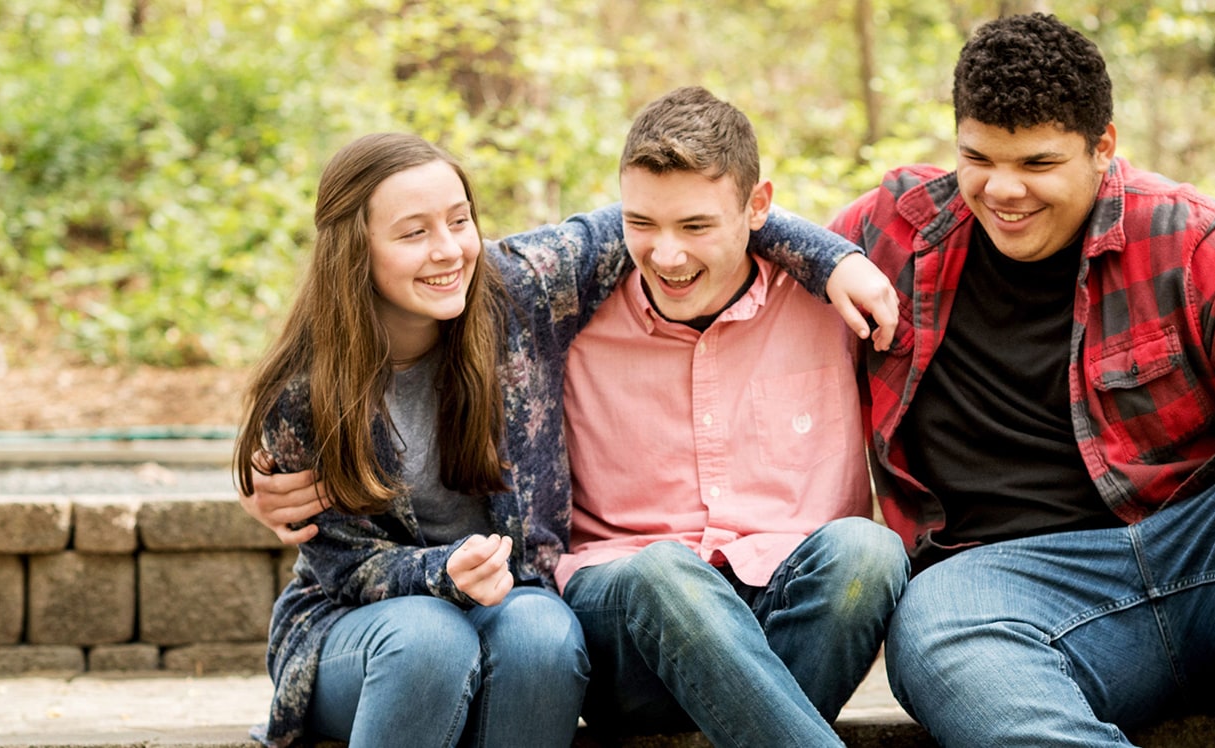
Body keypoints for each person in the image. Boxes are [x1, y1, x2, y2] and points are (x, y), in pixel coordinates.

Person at [237, 128, 900, 746]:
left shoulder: (517, 290)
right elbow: (345, 566)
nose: (448, 249)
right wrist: (444, 571)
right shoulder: (306, 391)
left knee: (544, 636)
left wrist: (834, 259)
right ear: (355, 248)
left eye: (459, 220)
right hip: (368, 625)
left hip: (514, 600)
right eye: (413, 233)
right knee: (431, 638)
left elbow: (673, 216)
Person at [828, 13, 1215, 746]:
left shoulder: (1186, 239)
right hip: (1007, 594)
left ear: (1102, 146)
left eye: (1038, 164)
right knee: (934, 628)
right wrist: (822, 257)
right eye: (979, 157)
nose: (1003, 190)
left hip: (1209, 562)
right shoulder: (894, 233)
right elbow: (716, 239)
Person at [539, 86, 907, 747]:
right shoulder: (572, 317)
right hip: (627, 625)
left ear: (758, 206)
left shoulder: (829, 305)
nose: (667, 257)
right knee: (664, 571)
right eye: (642, 224)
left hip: (786, 616)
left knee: (868, 551)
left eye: (696, 226)